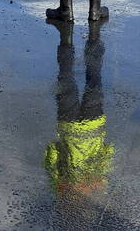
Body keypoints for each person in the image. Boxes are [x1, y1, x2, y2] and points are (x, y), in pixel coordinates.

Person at [44, 20, 112, 213]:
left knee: (94, 79)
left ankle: (94, 41)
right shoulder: (60, 186)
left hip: (94, 123)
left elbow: (108, 152)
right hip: (68, 125)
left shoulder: (98, 184)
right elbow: (52, 153)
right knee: (66, 78)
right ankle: (67, 42)